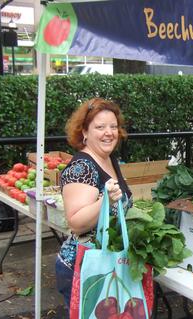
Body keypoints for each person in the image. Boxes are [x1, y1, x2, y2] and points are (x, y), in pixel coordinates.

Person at [55, 97, 132, 309]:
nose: (109, 132)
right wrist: (104, 201)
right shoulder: (82, 168)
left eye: (113, 127)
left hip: (106, 262)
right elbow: (76, 222)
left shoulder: (109, 159)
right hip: (83, 267)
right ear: (85, 132)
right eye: (100, 127)